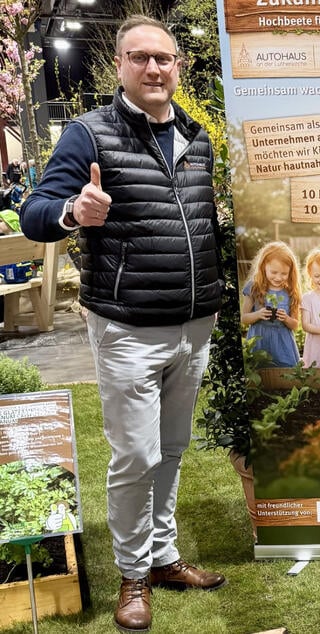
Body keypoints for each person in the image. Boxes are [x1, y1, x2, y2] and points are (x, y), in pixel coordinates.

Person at [19, 14, 227, 633]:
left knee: (172, 449)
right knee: (134, 455)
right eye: (140, 58)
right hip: (129, 330)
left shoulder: (197, 137)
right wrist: (70, 211)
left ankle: (162, 558)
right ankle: (133, 574)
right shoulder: (89, 135)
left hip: (194, 325)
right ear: (120, 66)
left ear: (178, 67)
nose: (155, 68)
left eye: (164, 58)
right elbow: (33, 212)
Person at [241, 241, 302, 367]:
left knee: (285, 377)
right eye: (274, 272)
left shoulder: (290, 292)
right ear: (264, 267)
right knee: (259, 376)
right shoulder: (253, 287)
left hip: (283, 344)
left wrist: (286, 318)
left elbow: (295, 325)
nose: (278, 278)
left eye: (284, 273)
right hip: (260, 340)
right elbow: (244, 318)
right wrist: (258, 314)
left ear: (290, 272)